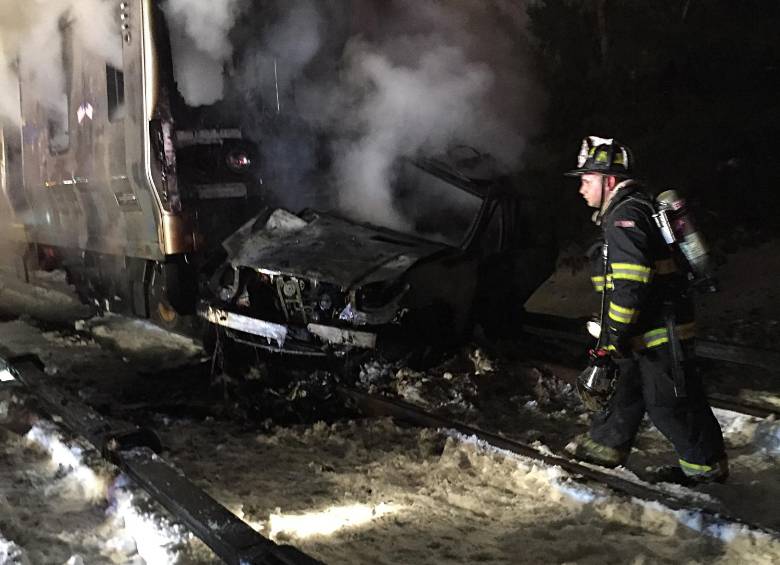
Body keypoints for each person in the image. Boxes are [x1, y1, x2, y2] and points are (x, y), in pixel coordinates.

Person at [565, 136, 728, 484]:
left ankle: (706, 470)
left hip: (659, 330)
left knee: (669, 403)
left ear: (609, 181)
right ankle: (605, 447)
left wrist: (609, 338)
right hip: (645, 327)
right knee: (626, 387)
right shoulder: (631, 210)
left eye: (586, 180)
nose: (580, 189)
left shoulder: (625, 216)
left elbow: (629, 284)